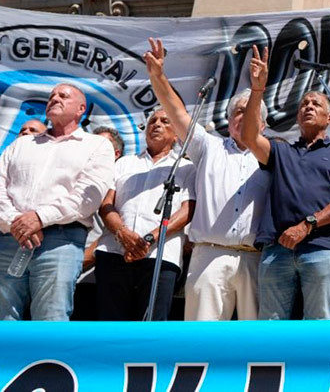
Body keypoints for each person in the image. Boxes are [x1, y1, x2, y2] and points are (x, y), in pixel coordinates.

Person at [144, 38, 269, 321]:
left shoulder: (272, 158)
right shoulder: (208, 147)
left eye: (250, 112)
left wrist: (258, 88)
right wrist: (158, 76)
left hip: (256, 258)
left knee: (256, 339)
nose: (243, 117)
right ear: (229, 119)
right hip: (209, 256)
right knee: (203, 337)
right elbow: (176, 112)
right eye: (239, 111)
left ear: (261, 125)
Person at [241, 46, 330, 320]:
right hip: (277, 250)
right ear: (297, 117)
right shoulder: (281, 151)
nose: (308, 107)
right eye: (304, 104)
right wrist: (257, 90)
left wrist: (308, 225)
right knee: (271, 328)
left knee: (319, 325)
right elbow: (249, 137)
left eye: (316, 104)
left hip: (322, 248)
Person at [0, 84, 115, 320]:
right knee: (3, 318)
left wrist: (40, 218)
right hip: (11, 238)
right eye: (52, 95)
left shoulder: (97, 146)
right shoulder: (22, 144)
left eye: (63, 96)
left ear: (81, 109)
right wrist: (16, 223)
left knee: (50, 319)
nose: (54, 98)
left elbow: (87, 197)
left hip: (60, 242)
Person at [94, 109, 196, 320]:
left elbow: (188, 210)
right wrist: (122, 233)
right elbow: (106, 204)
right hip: (114, 253)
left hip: (160, 257)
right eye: (152, 121)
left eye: (165, 121)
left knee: (151, 327)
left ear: (176, 134)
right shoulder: (124, 163)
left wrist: (148, 240)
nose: (156, 124)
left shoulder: (186, 168)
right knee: (110, 327)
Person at [71, 126, 125, 321]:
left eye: (103, 144)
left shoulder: (120, 183)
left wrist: (77, 264)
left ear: (116, 154)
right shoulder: (75, 178)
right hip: (63, 273)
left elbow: (112, 232)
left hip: (94, 278)